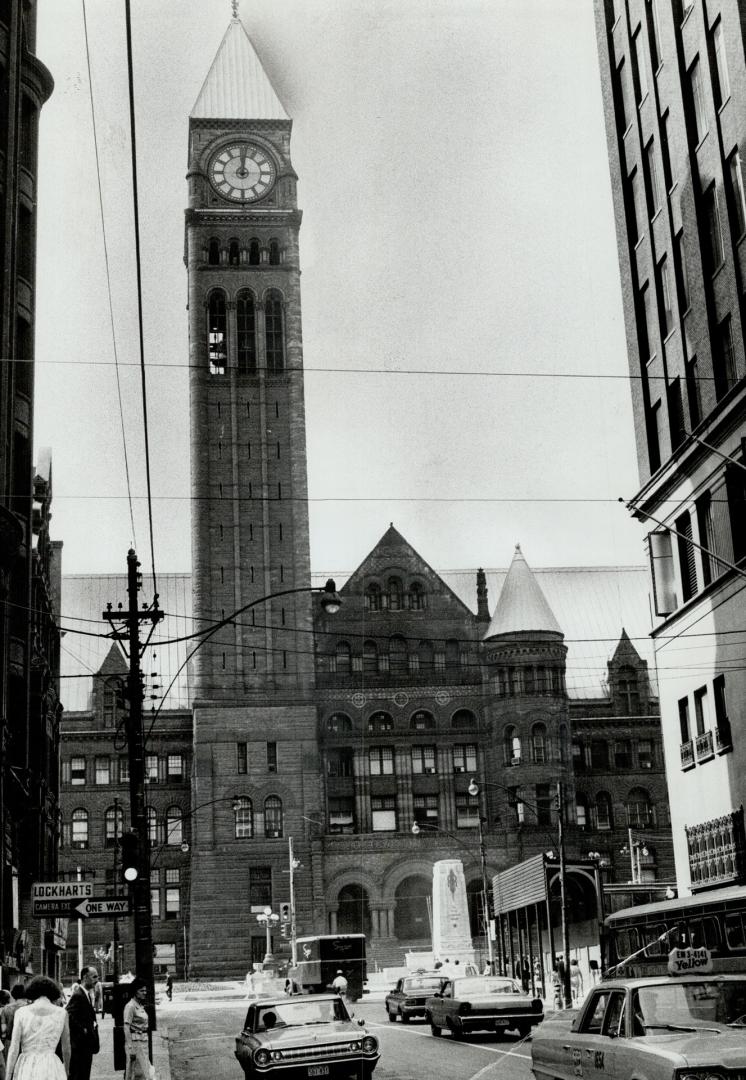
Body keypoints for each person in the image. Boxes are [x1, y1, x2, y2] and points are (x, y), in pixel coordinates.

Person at [5, 974, 70, 1080]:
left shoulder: (21, 1012)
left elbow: (14, 1048)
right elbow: (66, 1047)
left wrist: (8, 1075)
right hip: (51, 1065)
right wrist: (66, 1070)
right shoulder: (62, 1013)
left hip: (26, 1065)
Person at [66, 967, 100, 1080]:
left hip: (86, 1046)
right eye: (94, 976)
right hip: (80, 1047)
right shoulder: (78, 995)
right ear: (85, 977)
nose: (97, 979)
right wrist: (83, 1030)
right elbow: (68, 1015)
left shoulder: (86, 994)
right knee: (78, 1075)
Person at [123, 979, 151, 1080]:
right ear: (135, 991)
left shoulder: (139, 1005)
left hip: (143, 1041)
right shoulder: (130, 1006)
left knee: (144, 1072)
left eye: (145, 990)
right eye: (141, 990)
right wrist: (130, 1048)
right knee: (138, 1073)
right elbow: (126, 1027)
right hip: (135, 1043)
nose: (145, 992)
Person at [2, 985, 27, 1061]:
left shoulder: (6, 1008)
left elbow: (3, 1029)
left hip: (10, 1042)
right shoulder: (29, 1008)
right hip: (25, 1043)